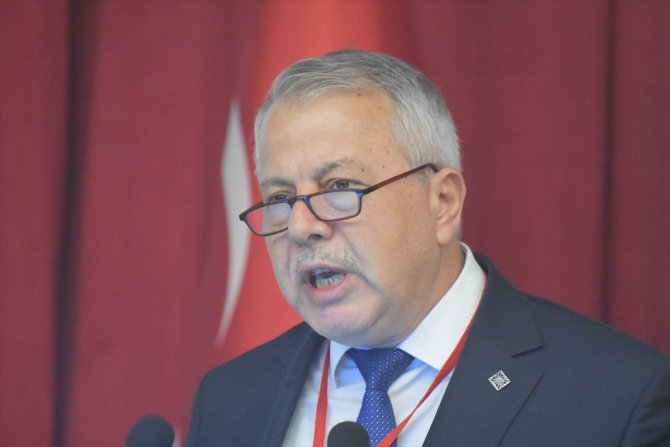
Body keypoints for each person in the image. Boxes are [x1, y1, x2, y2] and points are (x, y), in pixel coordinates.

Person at [186, 50, 670, 447]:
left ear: (442, 203)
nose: (300, 227)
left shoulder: (618, 398)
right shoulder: (230, 399)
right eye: (279, 199)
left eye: (340, 187)